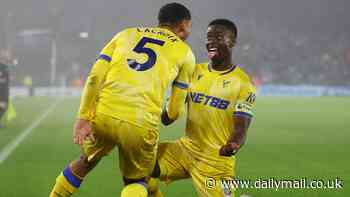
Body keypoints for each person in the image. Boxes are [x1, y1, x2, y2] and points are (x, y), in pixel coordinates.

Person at [49, 3, 195, 197]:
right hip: (141, 122)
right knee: (137, 180)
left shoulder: (125, 34)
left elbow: (95, 76)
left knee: (86, 162)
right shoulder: (185, 53)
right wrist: (166, 117)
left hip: (105, 114)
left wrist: (83, 117)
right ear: (184, 25)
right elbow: (175, 111)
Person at [149, 19, 257, 197]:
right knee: (139, 163)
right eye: (209, 37)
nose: (211, 41)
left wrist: (234, 144)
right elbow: (168, 115)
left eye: (218, 37)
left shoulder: (243, 83)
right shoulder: (193, 71)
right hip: (185, 150)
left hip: (215, 160)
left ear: (232, 42)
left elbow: (241, 127)